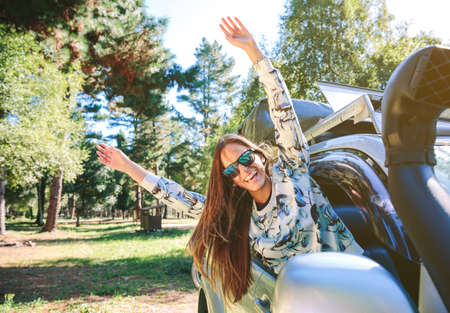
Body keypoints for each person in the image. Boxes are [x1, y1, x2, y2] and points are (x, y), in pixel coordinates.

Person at [96, 17, 363, 303]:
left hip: (355, 288)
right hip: (298, 304)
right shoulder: (238, 214)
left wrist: (255, 53)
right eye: (233, 170)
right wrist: (127, 167)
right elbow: (179, 197)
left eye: (246, 158)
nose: (244, 170)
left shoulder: (292, 171)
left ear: (260, 155)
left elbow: (283, 111)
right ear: (231, 180)